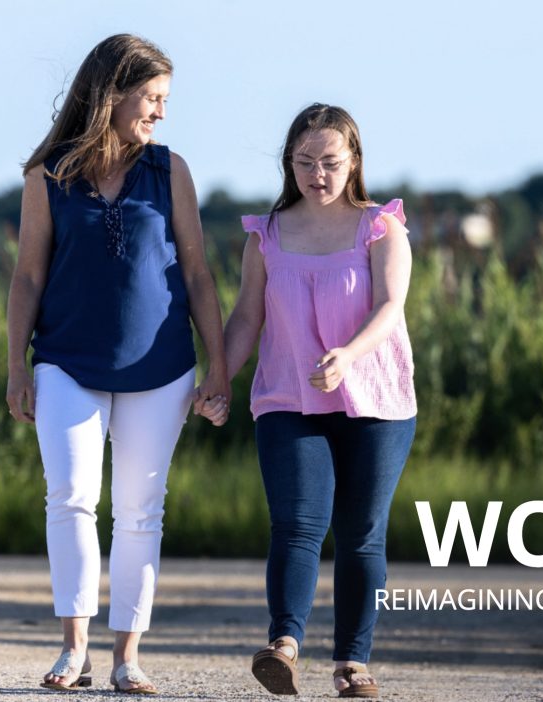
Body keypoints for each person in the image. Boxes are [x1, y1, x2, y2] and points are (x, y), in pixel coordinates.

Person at [6, 34, 230, 694]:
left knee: (139, 509)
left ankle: (126, 655)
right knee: (70, 497)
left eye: (164, 100)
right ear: (113, 94)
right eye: (152, 98)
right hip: (65, 361)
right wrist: (17, 365)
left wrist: (217, 364)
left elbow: (198, 272)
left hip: (160, 367)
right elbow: (25, 277)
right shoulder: (47, 175)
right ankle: (72, 648)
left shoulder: (171, 171)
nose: (160, 113)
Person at [199, 103, 416, 697]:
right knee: (296, 525)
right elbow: (247, 314)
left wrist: (347, 355)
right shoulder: (266, 235)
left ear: (354, 163)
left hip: (375, 400)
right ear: (288, 164)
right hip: (287, 396)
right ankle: (284, 645)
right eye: (304, 162)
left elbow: (389, 308)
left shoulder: (380, 227)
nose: (317, 174)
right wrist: (217, 376)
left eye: (330, 162)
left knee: (361, 532)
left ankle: (353, 665)